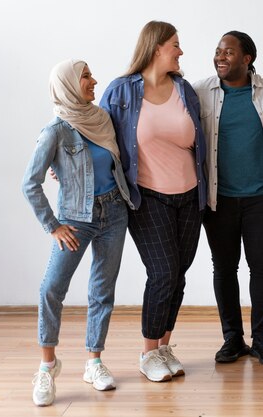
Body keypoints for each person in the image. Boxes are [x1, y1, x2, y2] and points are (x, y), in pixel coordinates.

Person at [100, 21, 207, 382]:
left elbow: (197, 142)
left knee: (178, 275)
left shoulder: (184, 90)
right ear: (157, 47)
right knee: (162, 273)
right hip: (148, 197)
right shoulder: (122, 91)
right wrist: (67, 164)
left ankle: (163, 346)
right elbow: (96, 134)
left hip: (191, 196)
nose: (180, 51)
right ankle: (148, 353)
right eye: (175, 44)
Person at [22, 59, 133, 406]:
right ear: (69, 84)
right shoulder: (55, 131)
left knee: (102, 290)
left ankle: (94, 361)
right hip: (76, 220)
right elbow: (30, 183)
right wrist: (53, 226)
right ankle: (47, 366)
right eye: (86, 76)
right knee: (52, 289)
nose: (93, 80)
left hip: (115, 212)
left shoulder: (102, 120)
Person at [193, 31, 263, 366]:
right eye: (217, 51)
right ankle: (232, 339)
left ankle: (262, 341)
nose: (220, 56)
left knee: (262, 268)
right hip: (220, 198)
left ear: (247, 59)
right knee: (224, 268)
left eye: (228, 52)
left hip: (262, 196)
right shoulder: (201, 91)